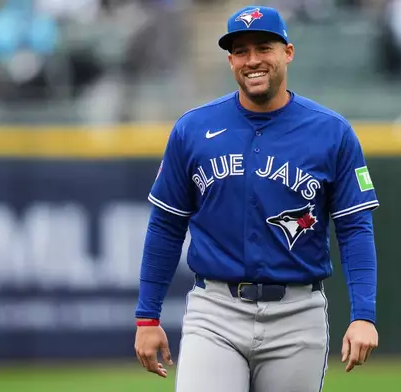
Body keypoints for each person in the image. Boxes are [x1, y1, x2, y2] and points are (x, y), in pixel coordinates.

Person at [133, 5, 379, 391]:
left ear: (288, 52)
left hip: (297, 313)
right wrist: (147, 317)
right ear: (230, 60)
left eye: (263, 47)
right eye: (241, 51)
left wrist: (364, 314)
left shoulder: (332, 132)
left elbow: (355, 228)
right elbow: (166, 225)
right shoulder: (193, 128)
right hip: (215, 309)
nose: (252, 61)